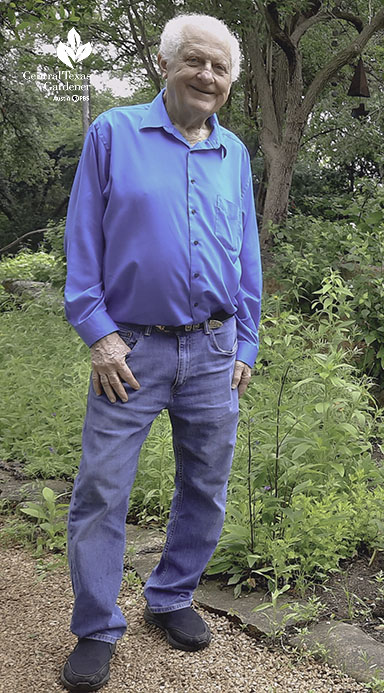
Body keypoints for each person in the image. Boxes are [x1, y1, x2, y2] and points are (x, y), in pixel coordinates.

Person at [60, 14, 261, 692]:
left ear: (230, 81)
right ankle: (95, 627)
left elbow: (247, 255)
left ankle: (171, 595)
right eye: (195, 62)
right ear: (165, 65)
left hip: (213, 350)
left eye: (220, 68)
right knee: (101, 490)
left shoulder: (233, 152)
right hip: (130, 355)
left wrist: (249, 338)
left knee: (206, 483)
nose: (207, 76)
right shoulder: (113, 134)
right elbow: (83, 240)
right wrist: (97, 331)